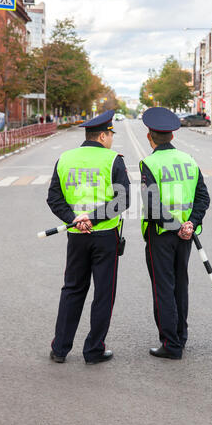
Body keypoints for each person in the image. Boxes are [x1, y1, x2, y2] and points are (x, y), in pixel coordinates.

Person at [47, 110, 130, 365]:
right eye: (111, 134)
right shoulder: (113, 160)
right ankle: (94, 350)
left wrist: (75, 219)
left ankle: (60, 349)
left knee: (72, 289)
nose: (112, 139)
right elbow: (123, 200)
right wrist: (92, 219)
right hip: (105, 236)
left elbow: (54, 198)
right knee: (103, 293)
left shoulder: (65, 159)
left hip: (76, 236)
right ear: (104, 135)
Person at [140, 107, 210, 360]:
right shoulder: (189, 160)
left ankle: (170, 344)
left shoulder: (149, 163)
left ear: (150, 136)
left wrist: (175, 226)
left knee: (163, 287)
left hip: (161, 235)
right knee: (181, 284)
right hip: (186, 235)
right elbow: (203, 197)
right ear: (172, 136)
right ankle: (181, 335)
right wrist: (189, 223)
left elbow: (152, 205)